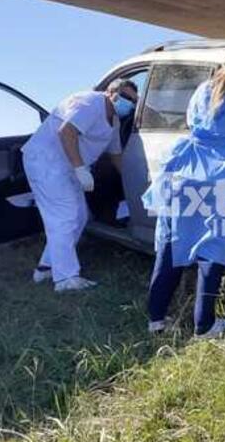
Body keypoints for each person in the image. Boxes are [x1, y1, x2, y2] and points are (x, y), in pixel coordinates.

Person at [142, 51, 225, 339]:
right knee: (213, 247)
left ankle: (156, 319)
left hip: (184, 170)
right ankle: (204, 325)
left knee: (172, 245)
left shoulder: (202, 90)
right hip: (219, 176)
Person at [23, 79, 138, 292]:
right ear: (111, 92)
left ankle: (45, 268)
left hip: (67, 166)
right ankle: (66, 279)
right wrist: (80, 169)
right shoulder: (90, 103)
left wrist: (131, 182)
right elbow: (66, 131)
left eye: (133, 100)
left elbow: (115, 155)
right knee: (64, 217)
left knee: (79, 217)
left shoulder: (114, 121)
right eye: (126, 97)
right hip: (48, 162)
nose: (129, 103)